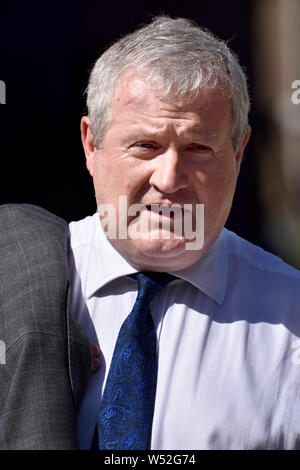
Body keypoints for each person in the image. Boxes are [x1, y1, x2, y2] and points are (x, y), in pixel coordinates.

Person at [1, 15, 300, 450]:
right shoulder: (16, 282)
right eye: (146, 146)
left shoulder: (291, 319)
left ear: (238, 154)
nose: (170, 177)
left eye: (199, 147)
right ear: (91, 144)